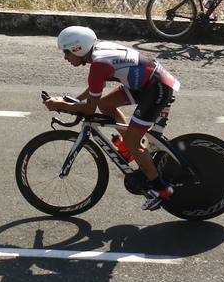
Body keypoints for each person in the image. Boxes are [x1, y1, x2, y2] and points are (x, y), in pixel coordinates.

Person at [44, 26, 181, 211]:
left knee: (134, 142)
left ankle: (162, 190)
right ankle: (128, 147)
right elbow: (95, 90)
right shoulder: (98, 51)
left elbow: (89, 108)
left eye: (66, 52)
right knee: (106, 104)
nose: (65, 57)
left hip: (155, 89)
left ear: (78, 49)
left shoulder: (98, 65)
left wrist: (60, 105)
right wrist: (76, 100)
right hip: (147, 81)